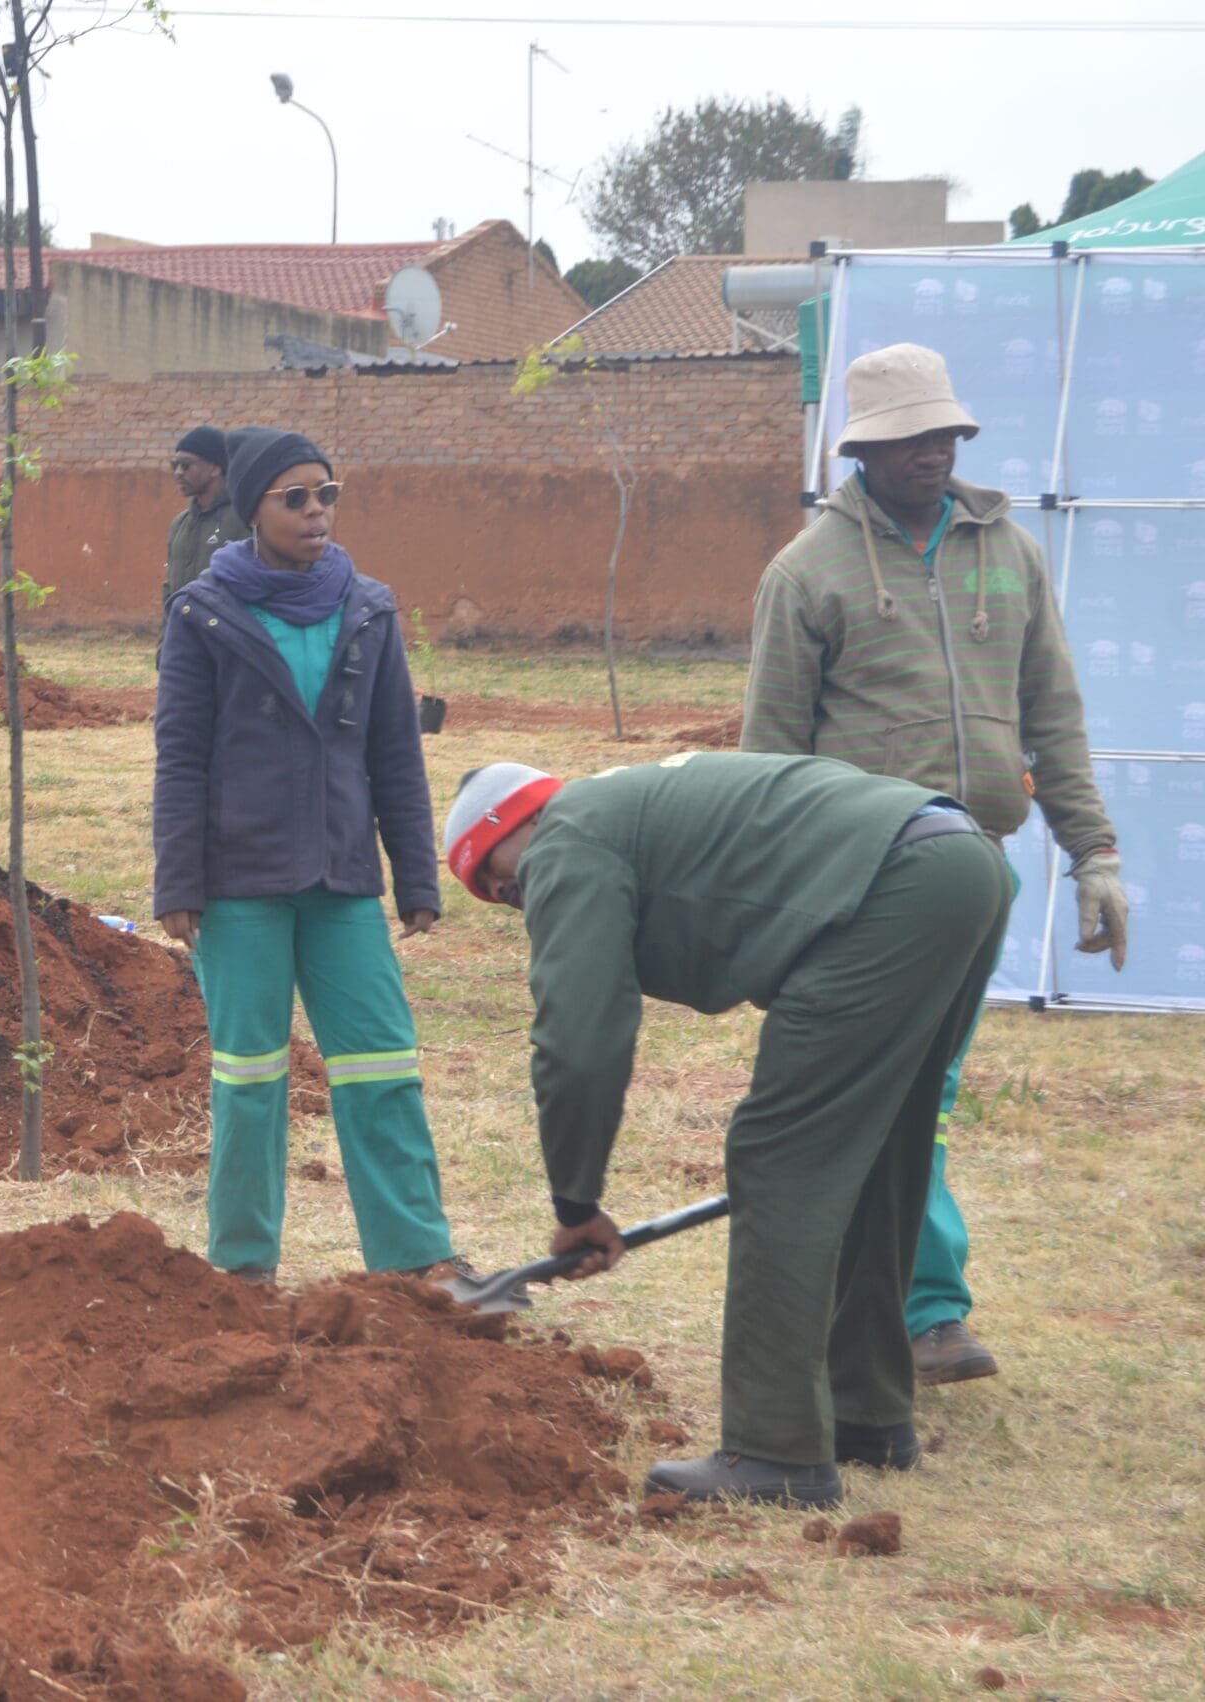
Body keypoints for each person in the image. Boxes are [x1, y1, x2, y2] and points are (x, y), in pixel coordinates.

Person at [444, 752, 1012, 1506]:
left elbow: (580, 1041)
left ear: (519, 828)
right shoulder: (626, 811)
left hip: (894, 885)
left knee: (780, 1157)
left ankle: (776, 1452)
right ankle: (867, 1417)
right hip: (958, 863)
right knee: (880, 1149)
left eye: (504, 884)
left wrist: (575, 1204)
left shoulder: (567, 837)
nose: (518, 901)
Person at [741, 341, 1126, 1390]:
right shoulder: (806, 572)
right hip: (859, 872)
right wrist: (775, 907)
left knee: (930, 1089)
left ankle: (904, 1306)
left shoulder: (1007, 553)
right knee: (886, 1089)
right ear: (862, 449)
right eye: (910, 437)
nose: (933, 451)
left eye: (946, 433)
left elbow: (1053, 714)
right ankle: (917, 1309)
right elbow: (768, 759)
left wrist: (1092, 851)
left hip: (978, 869)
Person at [153, 427, 459, 1283]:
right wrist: (178, 880)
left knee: (382, 1066)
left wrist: (415, 876)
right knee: (249, 1084)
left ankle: (417, 1259)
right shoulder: (203, 613)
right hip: (238, 882)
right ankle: (242, 1270)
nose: (316, 510)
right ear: (254, 508)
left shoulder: (367, 607)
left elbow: (396, 750)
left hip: (342, 880)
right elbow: (179, 754)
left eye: (327, 493)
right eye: (296, 497)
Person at [162, 425, 239, 607]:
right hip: (182, 633)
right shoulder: (180, 524)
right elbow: (170, 589)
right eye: (175, 465)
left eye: (186, 465)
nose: (178, 472)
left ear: (214, 468)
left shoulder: (244, 519)